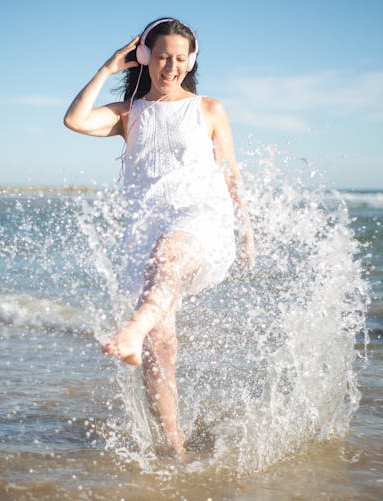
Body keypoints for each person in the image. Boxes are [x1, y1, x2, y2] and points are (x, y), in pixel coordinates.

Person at [64, 17, 254, 459]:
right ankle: (177, 448)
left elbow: (231, 173)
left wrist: (246, 229)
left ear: (192, 61)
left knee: (170, 254)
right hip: (146, 232)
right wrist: (109, 68)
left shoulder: (209, 108)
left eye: (181, 58)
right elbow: (74, 120)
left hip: (202, 222)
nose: (171, 66)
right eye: (163, 56)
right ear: (145, 57)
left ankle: (130, 330)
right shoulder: (128, 114)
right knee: (160, 349)